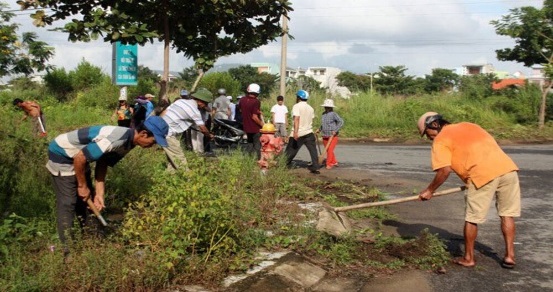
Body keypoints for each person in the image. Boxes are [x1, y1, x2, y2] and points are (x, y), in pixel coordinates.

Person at [46, 116, 169, 260]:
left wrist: (99, 194)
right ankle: (66, 252)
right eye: (153, 141)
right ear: (143, 134)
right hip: (62, 153)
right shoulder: (116, 140)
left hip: (79, 158)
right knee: (68, 202)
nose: (152, 146)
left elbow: (103, 162)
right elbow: (79, 158)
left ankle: (94, 241)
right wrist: (82, 186)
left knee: (88, 201)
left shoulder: (129, 143)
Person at [417, 112, 520, 269]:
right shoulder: (469, 125)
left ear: (434, 125)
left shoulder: (440, 140)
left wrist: (429, 190)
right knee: (507, 215)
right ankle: (510, 256)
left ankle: (468, 258)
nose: (428, 137)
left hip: (481, 175)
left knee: (472, 218)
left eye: (426, 133)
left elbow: (444, 170)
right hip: (507, 170)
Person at [161, 88, 214, 170]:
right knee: (180, 159)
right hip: (169, 134)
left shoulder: (180, 101)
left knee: (172, 160)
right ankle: (188, 179)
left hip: (162, 130)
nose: (205, 106)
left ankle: (170, 177)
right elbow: (203, 129)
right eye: (206, 103)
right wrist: (209, 135)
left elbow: (164, 112)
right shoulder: (194, 111)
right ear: (200, 101)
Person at [284, 90, 320, 174]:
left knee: (291, 150)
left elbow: (297, 118)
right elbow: (311, 119)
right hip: (309, 132)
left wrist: (296, 132)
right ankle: (315, 166)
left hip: (299, 132)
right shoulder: (311, 108)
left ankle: (284, 164)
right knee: (313, 151)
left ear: (298, 97)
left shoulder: (297, 106)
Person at [239, 84, 264, 159]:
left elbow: (241, 110)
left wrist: (256, 111)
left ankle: (248, 159)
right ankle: (257, 160)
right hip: (255, 128)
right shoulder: (256, 101)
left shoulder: (242, 99)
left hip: (246, 126)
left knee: (249, 143)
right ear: (257, 93)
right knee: (257, 145)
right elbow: (254, 117)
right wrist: (262, 125)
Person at [318, 99, 344, 169]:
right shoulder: (323, 114)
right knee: (328, 150)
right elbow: (323, 124)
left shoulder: (334, 114)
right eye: (325, 106)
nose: (326, 108)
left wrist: (335, 130)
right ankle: (334, 161)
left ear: (331, 107)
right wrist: (319, 129)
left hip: (332, 136)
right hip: (324, 135)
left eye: (328, 107)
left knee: (330, 150)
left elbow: (341, 122)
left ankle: (328, 163)